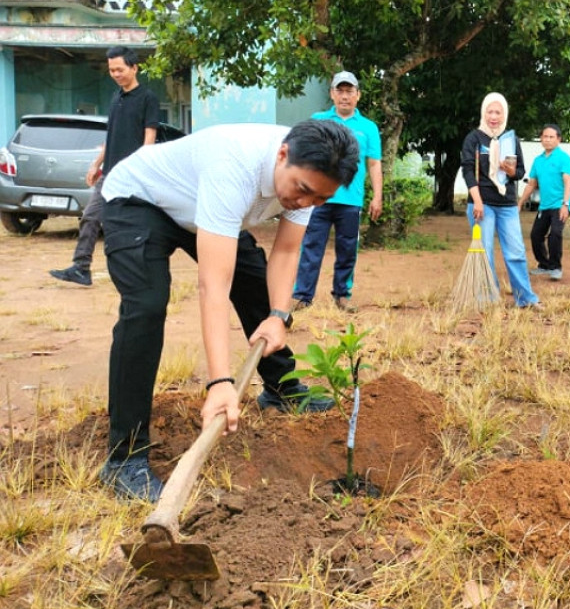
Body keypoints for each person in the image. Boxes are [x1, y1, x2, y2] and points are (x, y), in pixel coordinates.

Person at [97, 119, 359, 501]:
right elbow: (213, 286)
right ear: (282, 154)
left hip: (199, 208)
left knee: (255, 284)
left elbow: (285, 252)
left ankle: (281, 390)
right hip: (140, 200)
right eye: (303, 191)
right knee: (146, 306)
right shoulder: (235, 164)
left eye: (319, 199)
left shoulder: (310, 179)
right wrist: (220, 383)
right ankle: (123, 458)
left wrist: (278, 315)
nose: (306, 203)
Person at [49, 46, 159, 286]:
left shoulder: (147, 98)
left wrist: (141, 170)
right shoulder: (116, 97)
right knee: (90, 217)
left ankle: (138, 273)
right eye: (111, 70)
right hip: (109, 173)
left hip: (132, 175)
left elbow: (149, 139)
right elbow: (111, 136)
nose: (116, 74)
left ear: (134, 68)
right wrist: (95, 165)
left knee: (128, 224)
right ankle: (81, 268)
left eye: (120, 69)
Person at [292, 71, 382, 313]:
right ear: (332, 94)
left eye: (349, 91)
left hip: (351, 200)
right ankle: (302, 296)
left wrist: (377, 195)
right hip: (318, 199)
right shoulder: (318, 120)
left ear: (358, 95)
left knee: (347, 249)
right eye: (340, 91)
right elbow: (304, 155)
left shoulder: (368, 128)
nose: (344, 96)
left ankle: (342, 295)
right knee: (311, 246)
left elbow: (374, 163)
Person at [461, 92, 539, 308]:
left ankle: (525, 299)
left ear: (505, 114)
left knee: (516, 252)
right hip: (482, 203)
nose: (493, 116)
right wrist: (476, 200)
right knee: (485, 252)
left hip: (507, 204)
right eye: (490, 111)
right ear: (483, 112)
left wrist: (512, 171)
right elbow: (467, 171)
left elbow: (521, 170)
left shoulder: (511, 139)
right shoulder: (474, 138)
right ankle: (487, 299)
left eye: (498, 112)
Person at [517, 124, 570, 281]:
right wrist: (520, 202)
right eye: (545, 137)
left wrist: (565, 204)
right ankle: (544, 265)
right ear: (541, 139)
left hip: (561, 203)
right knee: (536, 235)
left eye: (551, 137)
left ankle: (556, 267)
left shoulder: (563, 158)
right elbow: (531, 184)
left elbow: (568, 182)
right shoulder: (538, 160)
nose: (547, 140)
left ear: (558, 139)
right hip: (545, 205)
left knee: (555, 233)